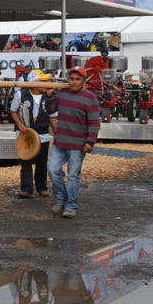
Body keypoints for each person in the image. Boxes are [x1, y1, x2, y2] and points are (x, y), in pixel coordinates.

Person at [48, 66, 99, 218]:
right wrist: (49, 96)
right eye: (71, 79)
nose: (74, 82)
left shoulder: (90, 98)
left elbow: (94, 122)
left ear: (84, 80)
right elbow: (50, 110)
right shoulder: (61, 94)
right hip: (60, 141)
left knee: (72, 176)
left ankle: (70, 206)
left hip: (78, 144)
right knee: (53, 170)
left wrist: (90, 141)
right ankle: (61, 200)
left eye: (78, 79)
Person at [10, 70, 58, 198]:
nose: (46, 83)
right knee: (25, 162)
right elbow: (13, 111)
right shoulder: (21, 95)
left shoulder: (48, 97)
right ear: (35, 83)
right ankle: (26, 189)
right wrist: (20, 124)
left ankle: (42, 188)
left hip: (42, 134)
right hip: (25, 135)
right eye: (43, 81)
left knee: (42, 162)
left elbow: (52, 116)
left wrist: (57, 133)